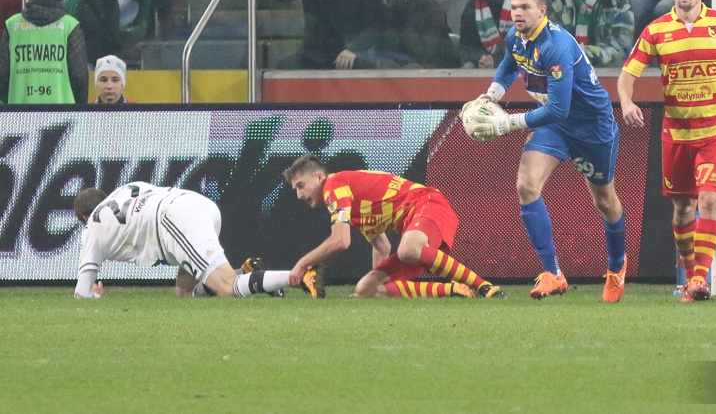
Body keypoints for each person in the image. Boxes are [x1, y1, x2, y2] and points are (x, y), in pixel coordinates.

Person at [464, 0, 628, 303]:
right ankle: (553, 273)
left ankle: (616, 268)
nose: (518, 13)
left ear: (541, 10)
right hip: (555, 127)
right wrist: (491, 96)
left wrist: (507, 123)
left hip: (591, 127)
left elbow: (558, 109)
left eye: (525, 7)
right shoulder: (516, 37)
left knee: (605, 202)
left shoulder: (556, 46)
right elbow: (510, 64)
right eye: (514, 7)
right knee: (526, 186)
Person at [617, 0, 716, 302]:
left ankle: (700, 279)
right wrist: (626, 103)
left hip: (715, 133)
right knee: (684, 209)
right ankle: (690, 276)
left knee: (710, 200)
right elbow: (627, 74)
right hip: (676, 135)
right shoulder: (656, 31)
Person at [284, 154, 505, 299]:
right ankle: (454, 290)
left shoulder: (334, 185)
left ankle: (485, 286)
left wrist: (302, 264)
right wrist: (372, 286)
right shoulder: (353, 206)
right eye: (295, 190)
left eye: (301, 186)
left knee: (408, 249)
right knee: (365, 288)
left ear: (319, 177)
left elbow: (341, 241)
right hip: (418, 227)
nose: (299, 195)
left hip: (429, 204)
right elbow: (382, 246)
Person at [71, 182, 323, 299]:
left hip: (175, 221)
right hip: (198, 204)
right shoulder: (125, 189)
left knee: (228, 288)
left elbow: (81, 293)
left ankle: (298, 275)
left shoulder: (93, 224)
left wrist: (94, 295)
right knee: (184, 293)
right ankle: (248, 274)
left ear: (83, 217)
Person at [346, 0, 456, 69]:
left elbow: (424, 53)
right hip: (392, 64)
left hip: (432, 66)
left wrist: (404, 24)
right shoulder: (383, 8)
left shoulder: (432, 9)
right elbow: (370, 36)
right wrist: (348, 50)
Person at [0, 0, 88, 104]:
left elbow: (2, 74)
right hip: (62, 112)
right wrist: (79, 107)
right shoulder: (70, 25)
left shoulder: (12, 25)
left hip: (19, 111)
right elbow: (79, 76)